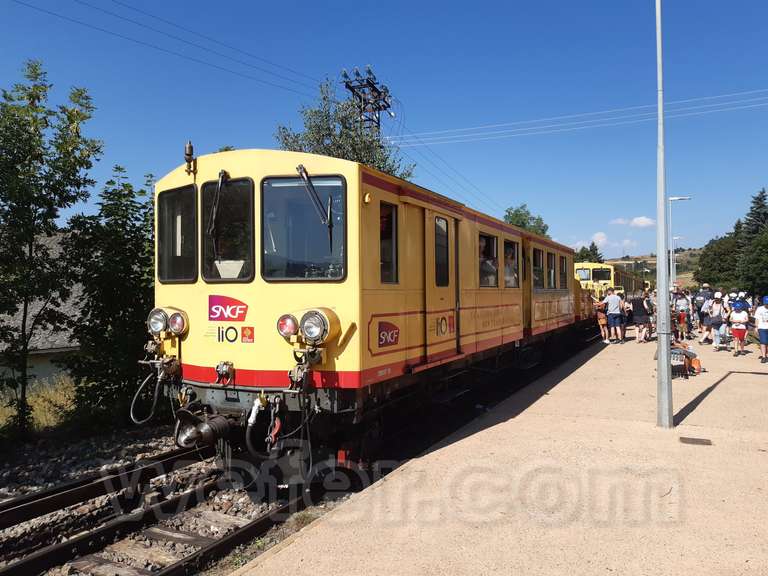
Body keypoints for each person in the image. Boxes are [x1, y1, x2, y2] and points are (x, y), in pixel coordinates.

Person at [754, 296, 768, 363]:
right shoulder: (760, 309)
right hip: (762, 327)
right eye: (766, 303)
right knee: (763, 342)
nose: (767, 305)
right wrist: (756, 327)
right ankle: (764, 357)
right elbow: (757, 318)